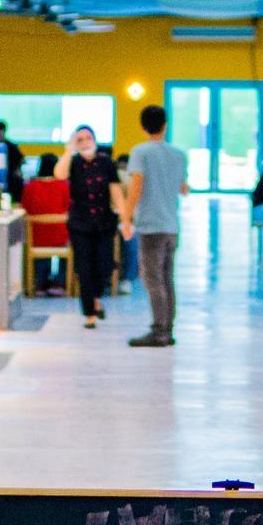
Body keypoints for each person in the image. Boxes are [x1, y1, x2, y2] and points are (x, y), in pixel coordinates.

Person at [119, 103, 186, 348]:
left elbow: (136, 187)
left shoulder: (140, 152)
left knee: (153, 280)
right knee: (167, 279)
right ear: (165, 125)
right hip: (171, 226)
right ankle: (167, 330)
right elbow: (183, 188)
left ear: (142, 126)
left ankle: (159, 331)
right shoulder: (179, 154)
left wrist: (126, 219)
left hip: (150, 226)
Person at [62, 125, 120, 326]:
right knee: (84, 268)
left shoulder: (106, 162)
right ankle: (90, 314)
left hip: (104, 222)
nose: (85, 143)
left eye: (88, 138)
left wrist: (125, 218)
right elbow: (59, 174)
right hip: (80, 223)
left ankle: (95, 299)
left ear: (94, 140)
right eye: (79, 140)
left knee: (105, 265)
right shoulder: (73, 162)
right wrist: (68, 152)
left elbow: (115, 191)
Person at [0, 119, 25, 201]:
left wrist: (18, 170)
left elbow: (20, 159)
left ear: (4, 131)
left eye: (0, 131)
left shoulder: (12, 146)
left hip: (10, 176)